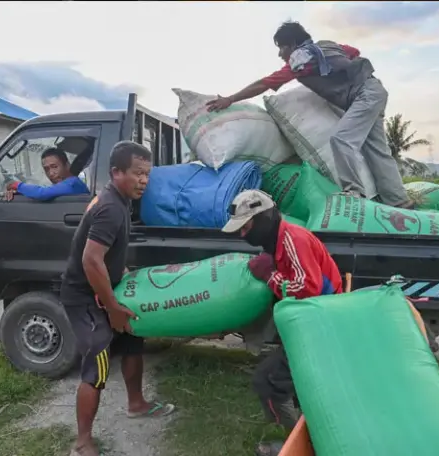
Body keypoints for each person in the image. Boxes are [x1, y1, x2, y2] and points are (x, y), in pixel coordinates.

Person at [207, 21, 413, 209]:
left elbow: (265, 83)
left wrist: (230, 99)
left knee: (342, 139)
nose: (280, 54)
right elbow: (354, 52)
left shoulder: (301, 58)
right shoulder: (326, 46)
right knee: (377, 151)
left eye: (281, 47)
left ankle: (354, 193)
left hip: (364, 95)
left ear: (293, 44)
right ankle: (399, 202)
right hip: (374, 89)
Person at [59, 140, 176, 456]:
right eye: (138, 173)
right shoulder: (111, 207)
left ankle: (136, 404)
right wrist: (112, 308)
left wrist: (123, 275)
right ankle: (83, 441)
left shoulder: (118, 200)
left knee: (132, 337)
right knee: (98, 358)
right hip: (82, 296)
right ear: (116, 172)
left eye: (147, 174)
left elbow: (107, 255)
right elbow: (90, 260)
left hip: (102, 288)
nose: (143, 181)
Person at [221, 189, 344, 456]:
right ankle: (312, 438)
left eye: (247, 227)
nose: (243, 235)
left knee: (270, 383)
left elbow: (307, 288)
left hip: (319, 321)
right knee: (303, 387)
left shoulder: (292, 239)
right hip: (310, 319)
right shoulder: (278, 241)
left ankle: (301, 446)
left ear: (265, 218)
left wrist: (269, 275)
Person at [4, 148, 89, 201]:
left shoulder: (72, 183)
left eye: (55, 167)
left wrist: (15, 185)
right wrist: (20, 193)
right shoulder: (66, 185)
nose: (51, 173)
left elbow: (41, 193)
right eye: (46, 169)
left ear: (67, 165)